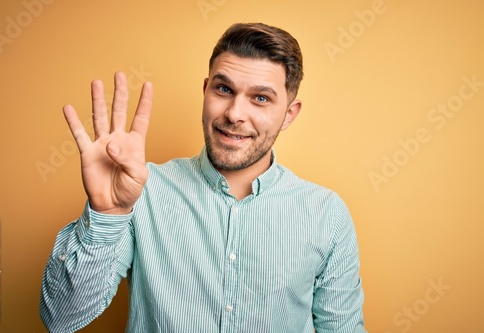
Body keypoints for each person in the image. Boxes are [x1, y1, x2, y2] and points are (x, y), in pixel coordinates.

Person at [40, 22, 366, 332]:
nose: (235, 113)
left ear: (288, 114)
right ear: (206, 90)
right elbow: (60, 319)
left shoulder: (326, 214)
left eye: (261, 98)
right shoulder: (141, 192)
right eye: (224, 89)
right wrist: (107, 215)